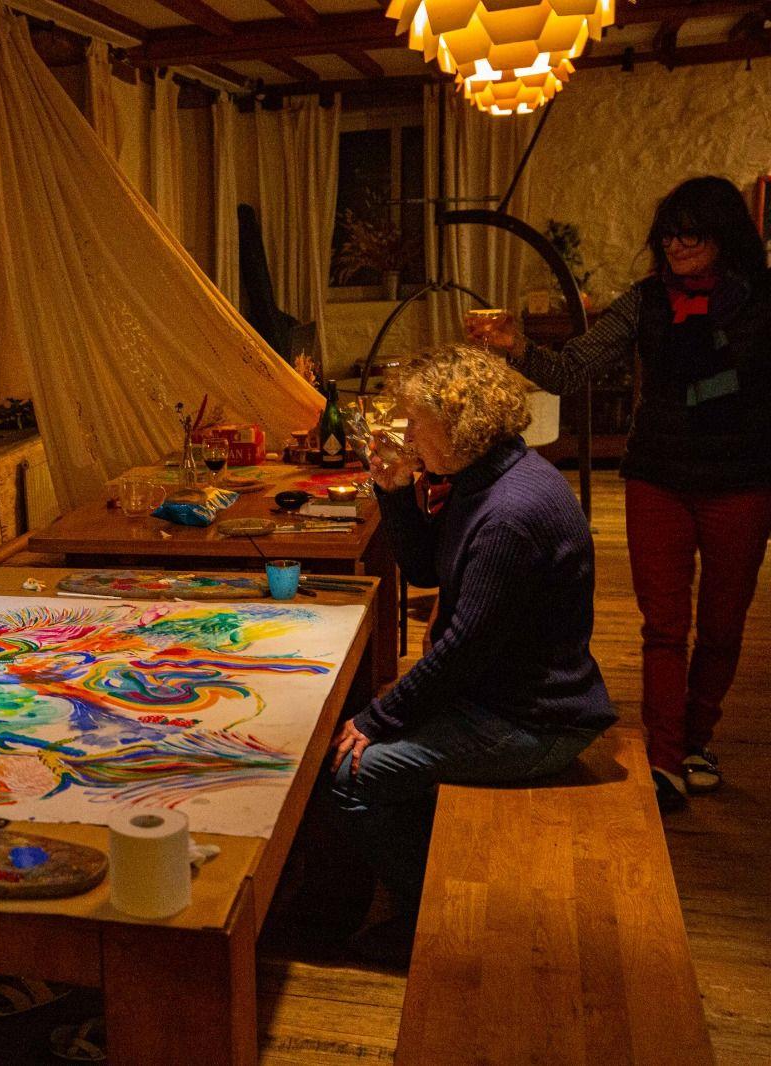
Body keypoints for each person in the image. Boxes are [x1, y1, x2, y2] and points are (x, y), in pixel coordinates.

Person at [468, 176, 771, 811]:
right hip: (657, 478)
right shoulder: (645, 302)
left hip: (742, 482)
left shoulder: (761, 300)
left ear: (724, 235)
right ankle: (665, 758)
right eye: (669, 232)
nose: (678, 243)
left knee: (720, 628)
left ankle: (696, 740)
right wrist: (515, 347)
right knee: (664, 628)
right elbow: (571, 369)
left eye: (693, 231)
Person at [330, 345, 616, 963]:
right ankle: (398, 877)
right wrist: (397, 490)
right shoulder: (489, 474)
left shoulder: (510, 513)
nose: (407, 434)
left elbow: (461, 653)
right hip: (505, 695)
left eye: (417, 423)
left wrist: (375, 719)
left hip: (535, 720)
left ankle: (431, 918)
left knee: (351, 772)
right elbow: (429, 568)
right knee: (365, 735)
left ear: (459, 426)